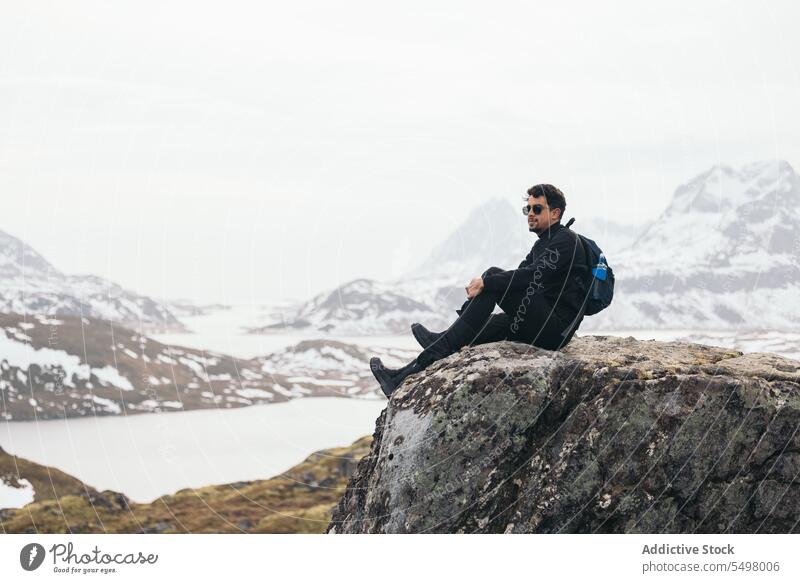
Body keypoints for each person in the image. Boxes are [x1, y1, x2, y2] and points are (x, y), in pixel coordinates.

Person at [370, 184, 589, 398]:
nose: (530, 214)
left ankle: (442, 342)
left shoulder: (565, 241)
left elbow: (530, 275)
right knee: (481, 326)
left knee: (493, 276)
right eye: (527, 209)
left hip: (554, 330)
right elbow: (521, 275)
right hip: (542, 322)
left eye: (537, 209)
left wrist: (486, 282)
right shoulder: (543, 244)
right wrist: (484, 292)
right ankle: (399, 379)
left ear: (555, 213)